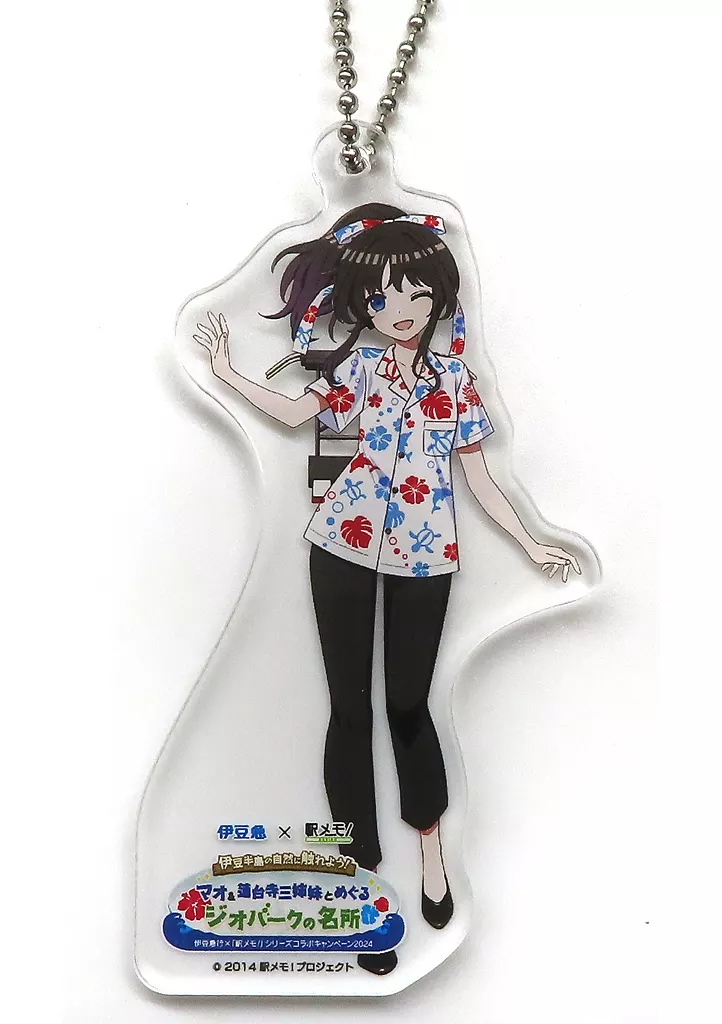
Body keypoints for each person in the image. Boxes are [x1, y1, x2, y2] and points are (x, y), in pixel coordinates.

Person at [194, 203, 580, 974]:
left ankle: (432, 853)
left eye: (414, 293)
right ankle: (362, 879)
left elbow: (482, 479)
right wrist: (228, 371)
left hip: (426, 554)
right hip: (341, 543)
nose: (398, 310)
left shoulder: (454, 381)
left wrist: (533, 542)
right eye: (379, 298)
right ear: (362, 305)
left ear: (438, 295)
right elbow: (294, 412)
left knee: (408, 704)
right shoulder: (360, 369)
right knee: (348, 708)